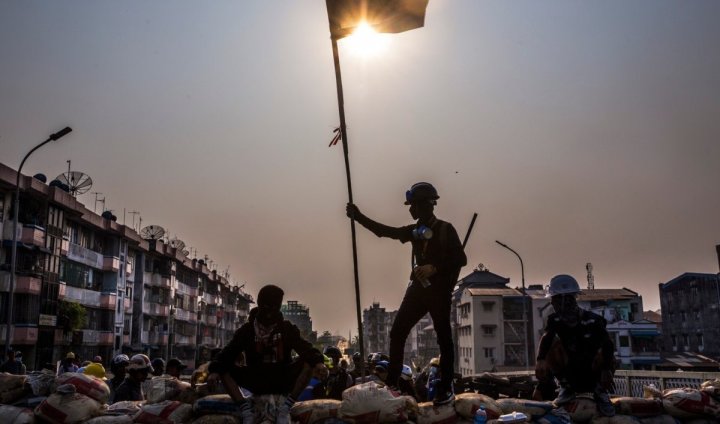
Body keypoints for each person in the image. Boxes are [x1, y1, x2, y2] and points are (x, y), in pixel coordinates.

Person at [346, 182, 467, 405]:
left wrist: (434, 267)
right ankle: (393, 385)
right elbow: (385, 232)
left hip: (439, 291)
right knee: (398, 331)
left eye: (413, 205)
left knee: (444, 338)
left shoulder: (445, 229)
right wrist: (358, 217)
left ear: (425, 205)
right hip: (419, 290)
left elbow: (461, 259)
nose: (410, 210)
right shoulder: (415, 232)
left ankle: (444, 387)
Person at [208, 284, 325, 424]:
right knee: (222, 367)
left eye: (274, 307)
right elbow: (227, 353)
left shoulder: (287, 329)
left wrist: (319, 363)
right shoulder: (247, 331)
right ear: (259, 304)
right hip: (256, 378)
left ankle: (286, 407)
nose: (270, 312)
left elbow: (306, 348)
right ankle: (245, 410)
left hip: (282, 378)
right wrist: (214, 371)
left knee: (310, 362)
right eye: (267, 307)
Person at [533, 274, 616, 417]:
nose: (553, 303)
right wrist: (540, 359)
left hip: (593, 373)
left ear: (566, 299)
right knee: (553, 345)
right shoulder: (555, 321)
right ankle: (566, 389)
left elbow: (608, 344)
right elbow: (547, 339)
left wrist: (607, 369)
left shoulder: (593, 321)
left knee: (606, 352)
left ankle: (600, 393)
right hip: (570, 374)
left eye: (555, 300)